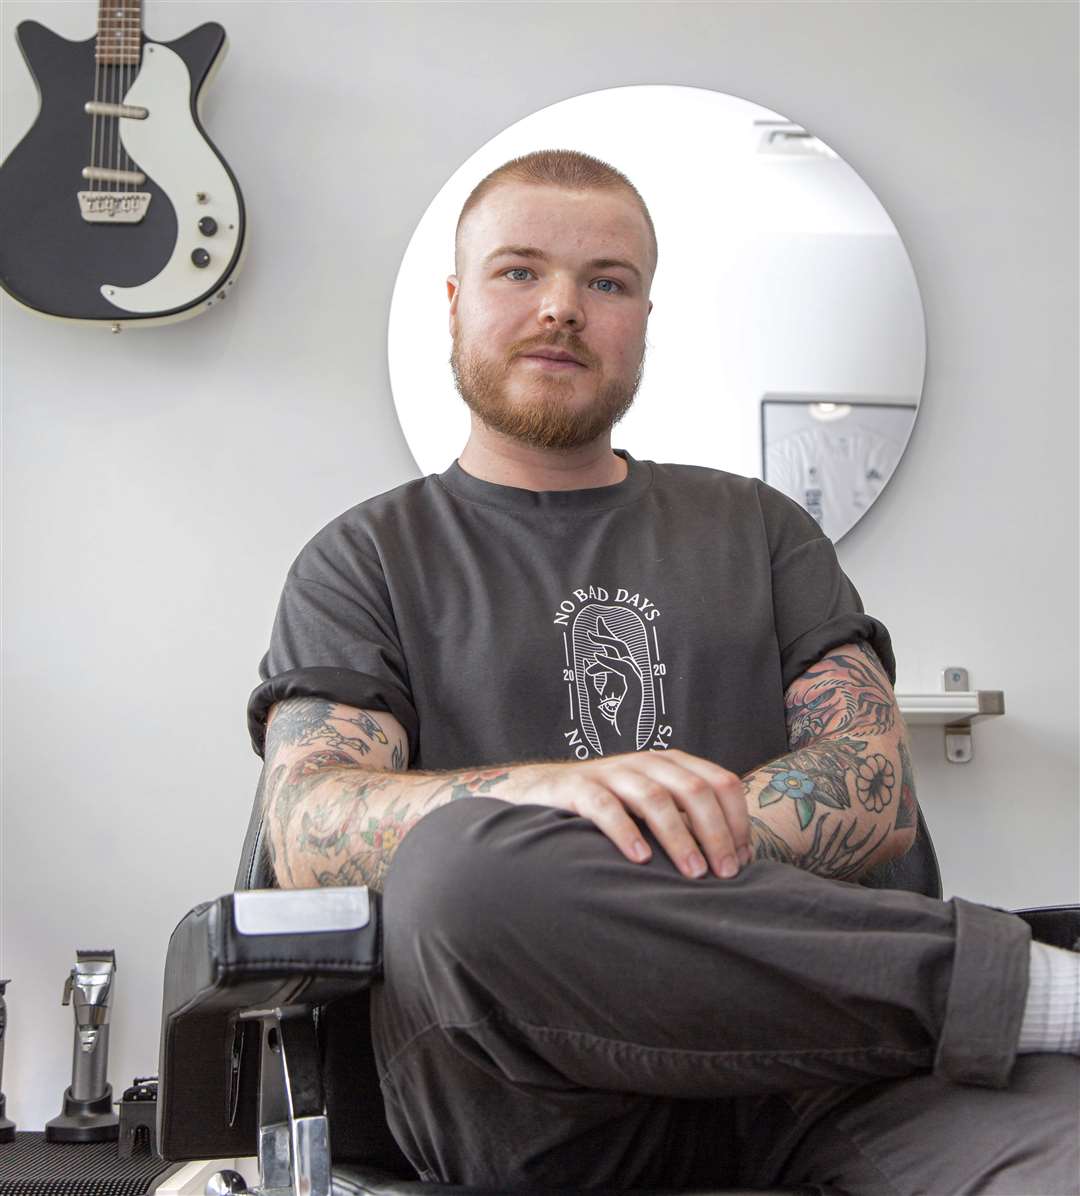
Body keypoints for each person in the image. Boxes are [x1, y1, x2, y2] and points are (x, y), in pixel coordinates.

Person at [247, 149, 1079, 1194]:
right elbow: (309, 827)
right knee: (463, 870)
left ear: (644, 315)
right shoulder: (363, 557)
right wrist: (548, 794)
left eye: (607, 281)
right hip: (532, 1092)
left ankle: (1038, 1002)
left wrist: (630, 842)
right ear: (454, 304)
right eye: (519, 272)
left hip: (832, 1070)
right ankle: (1032, 983)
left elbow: (874, 790)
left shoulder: (761, 528)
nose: (562, 308)